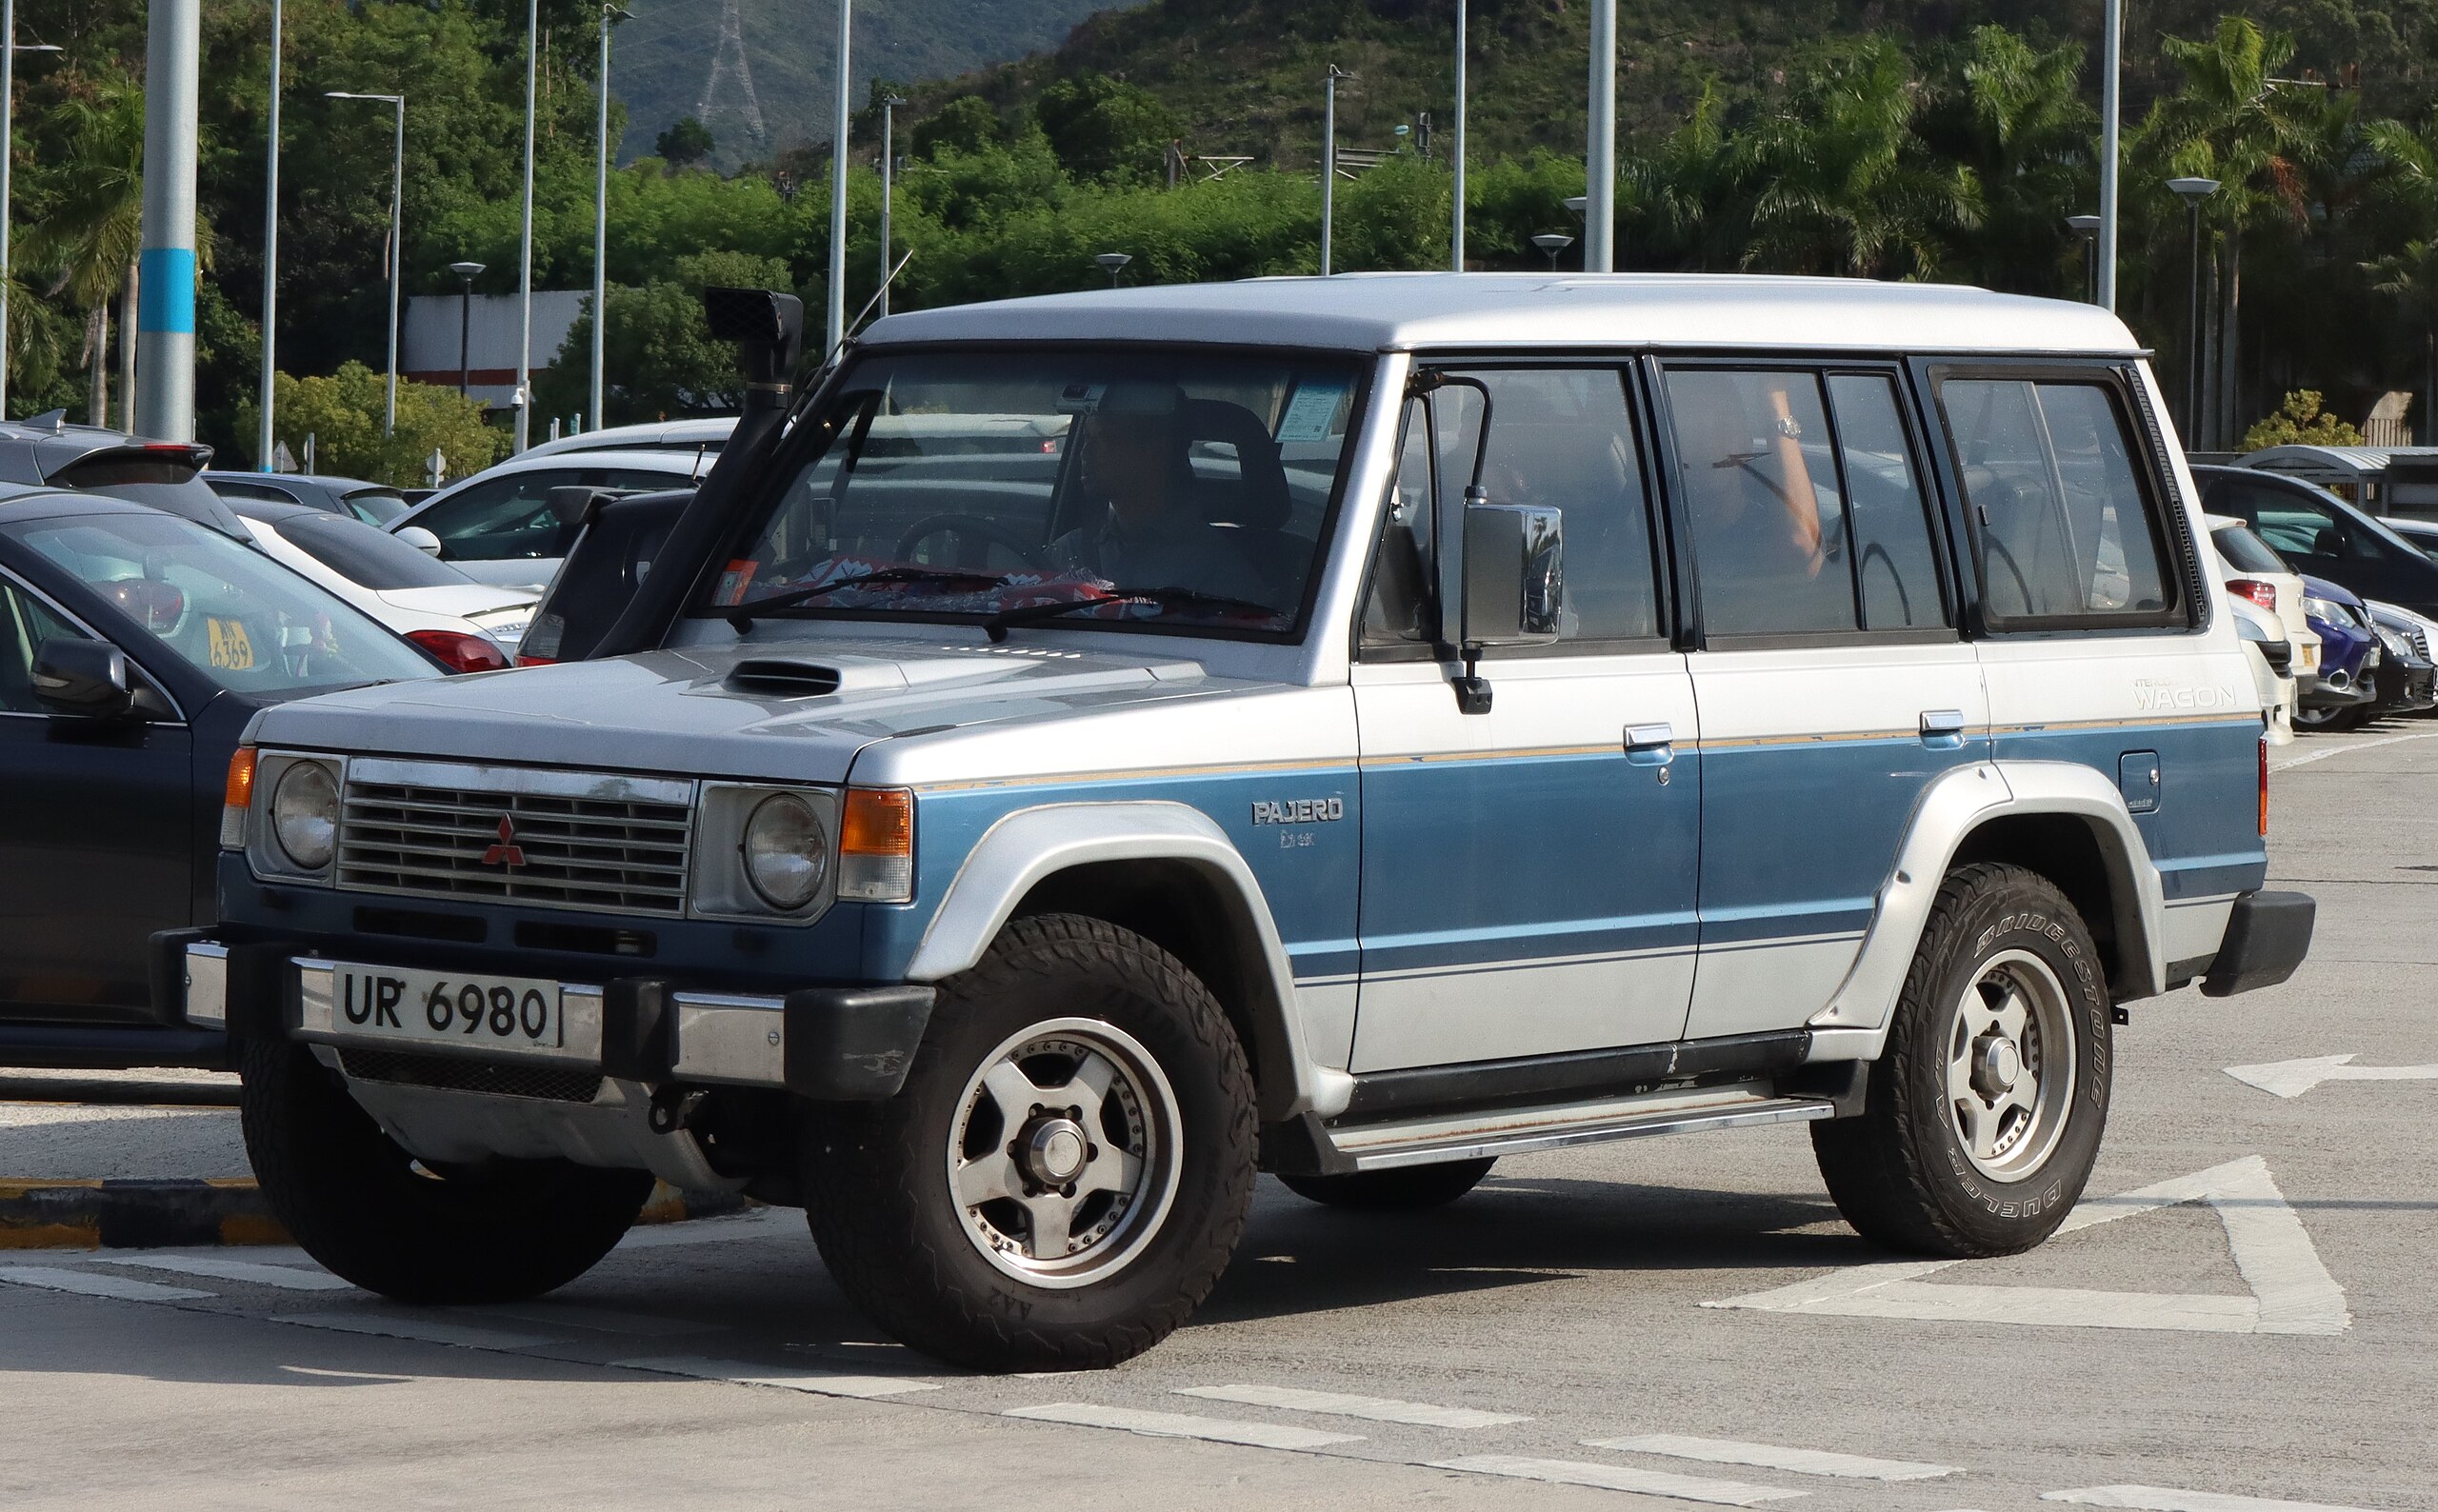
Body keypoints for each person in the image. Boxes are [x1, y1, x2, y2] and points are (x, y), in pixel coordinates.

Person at [1051, 383, 1274, 607]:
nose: (1085, 452)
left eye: (1106, 438)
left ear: (1155, 452)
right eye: (1087, 437)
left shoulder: (1220, 574)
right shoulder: (1070, 549)